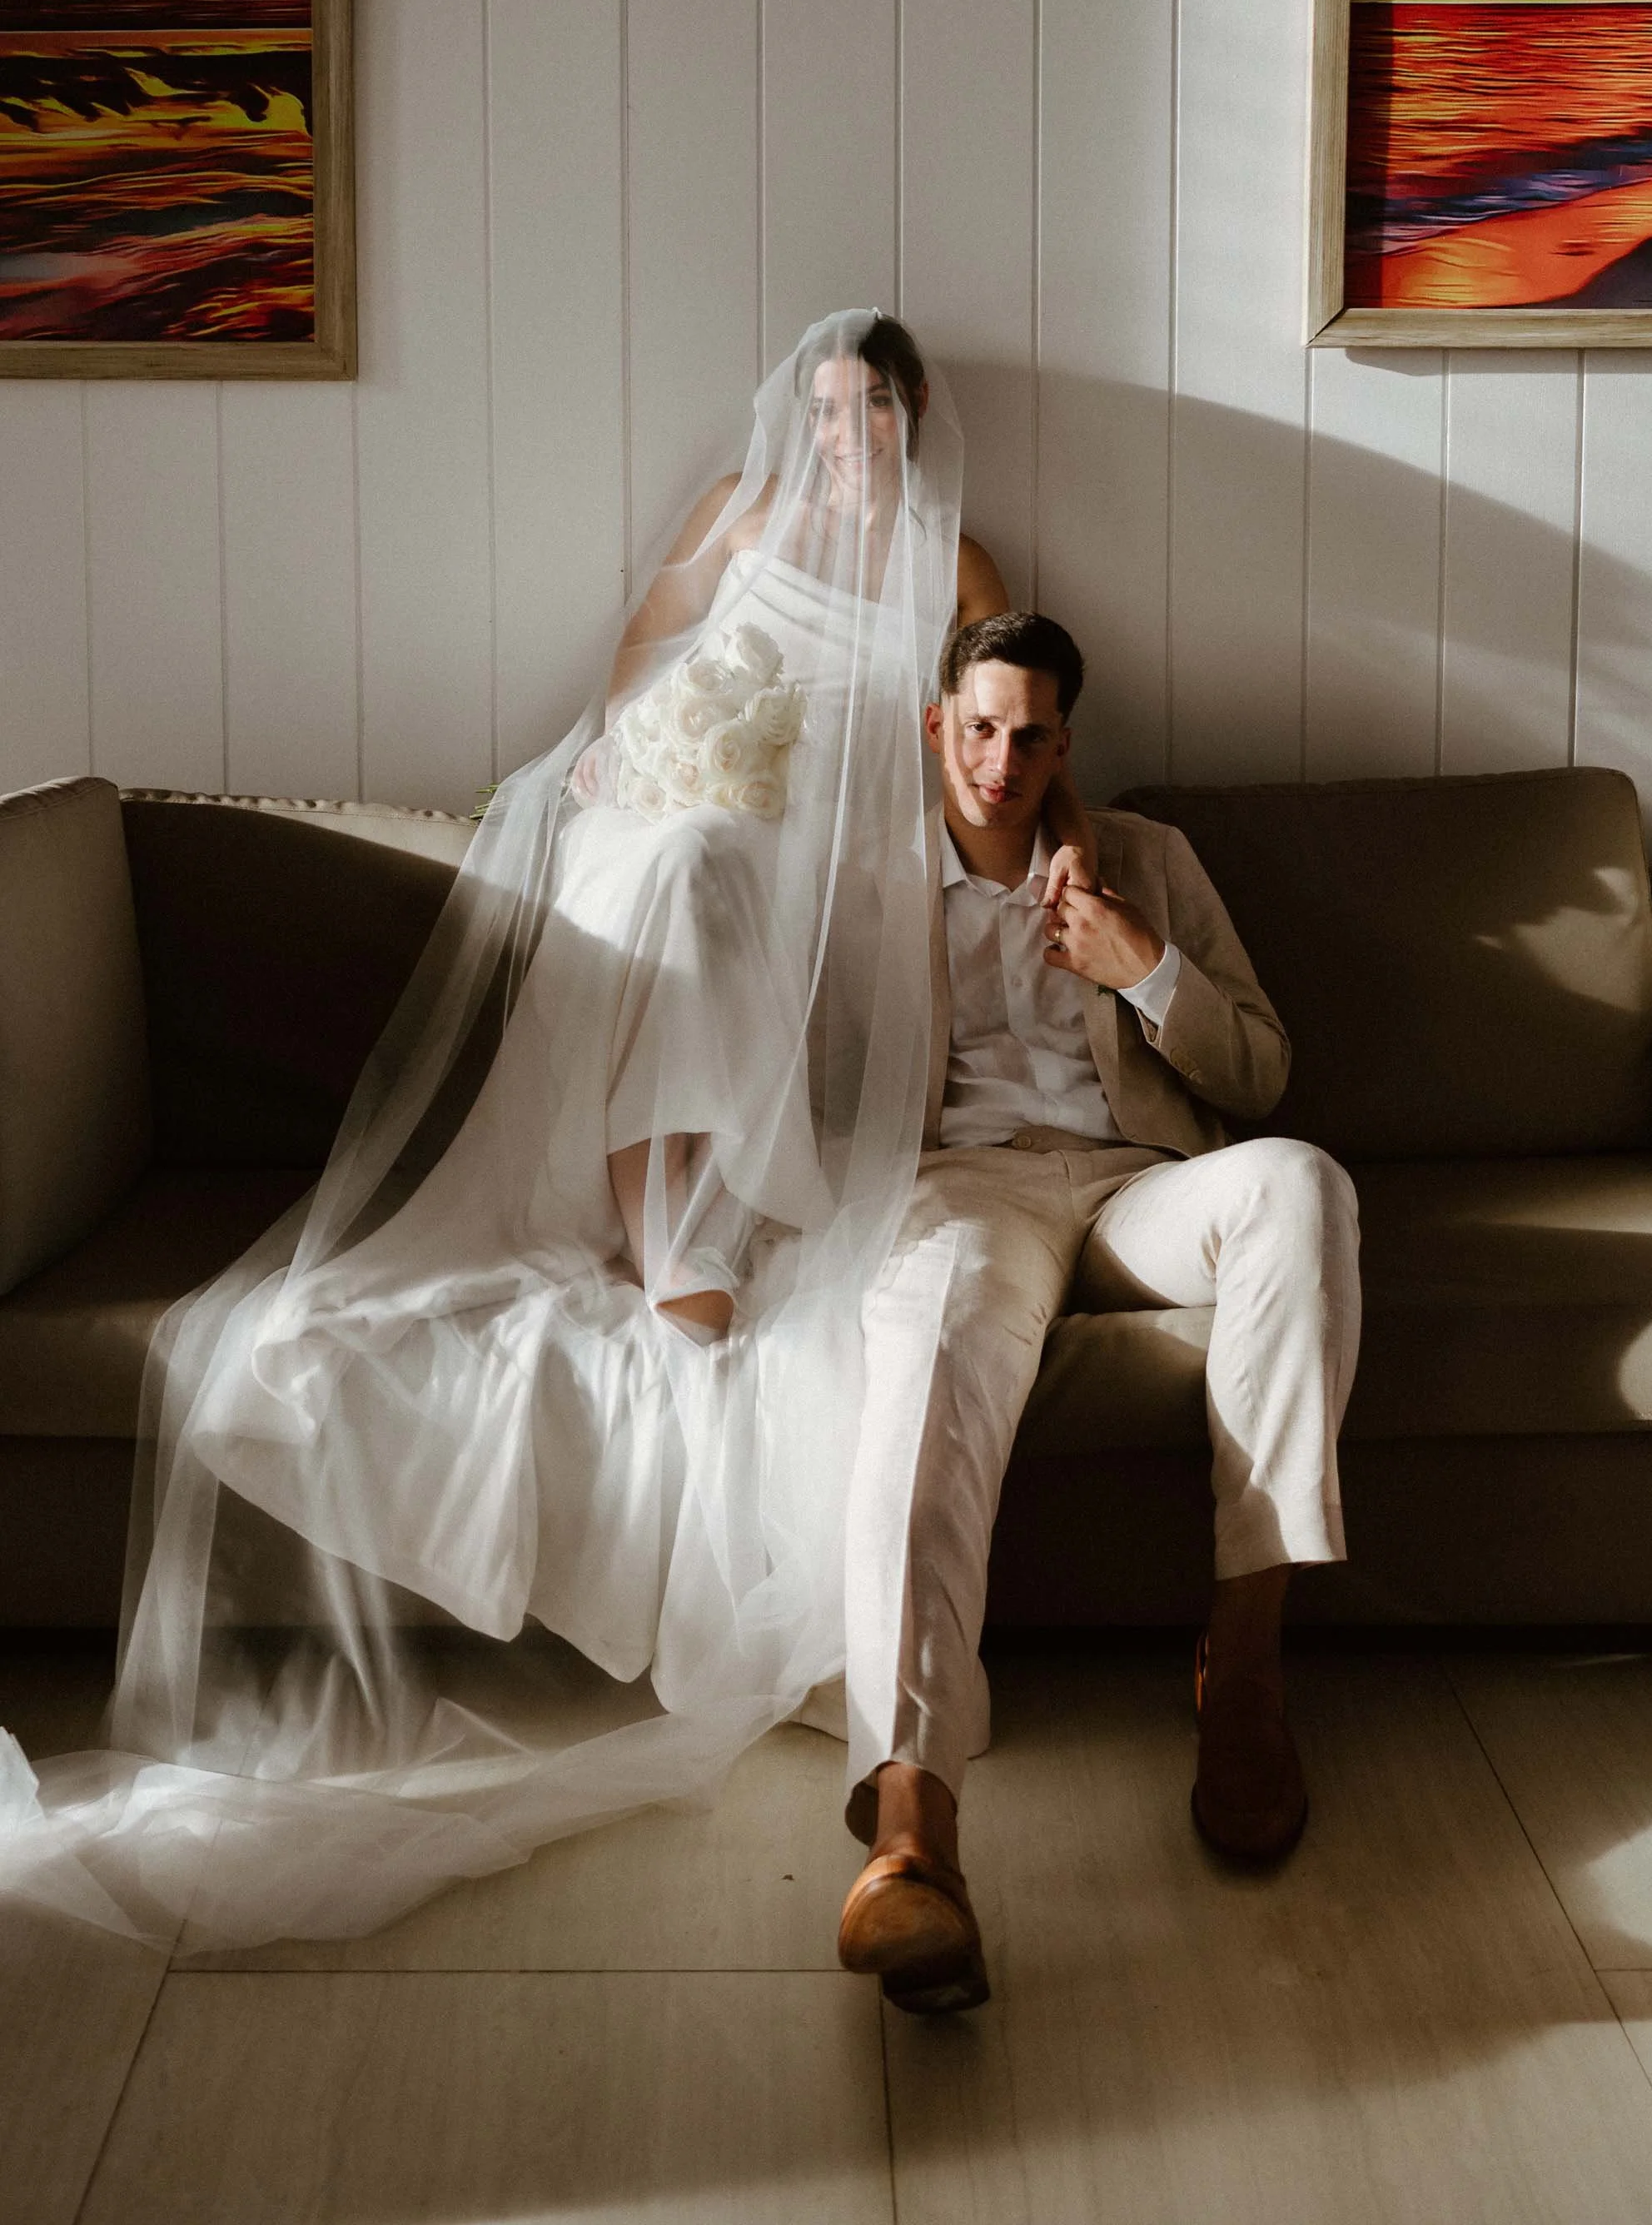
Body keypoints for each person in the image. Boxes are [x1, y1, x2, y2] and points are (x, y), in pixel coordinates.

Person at [0, 314, 1084, 1954]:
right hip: (682, 790)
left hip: (812, 847)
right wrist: (615, 750)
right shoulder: (743, 504)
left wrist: (956, 838)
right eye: (824, 408)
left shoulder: (956, 555)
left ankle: (686, 1221)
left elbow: (967, 733)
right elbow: (655, 645)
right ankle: (664, 1227)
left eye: (869, 410)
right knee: (668, 861)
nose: (843, 435)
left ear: (913, 417)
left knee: (714, 871)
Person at [831, 610, 1361, 2014]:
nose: (1004, 761)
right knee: (929, 1343)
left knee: (1302, 1187)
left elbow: (1260, 1076)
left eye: (1034, 733)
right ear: (936, 725)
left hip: (1140, 1189)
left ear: (1068, 740)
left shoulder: (1148, 860)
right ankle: (911, 1834)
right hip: (963, 1193)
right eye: (980, 726)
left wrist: (1147, 970)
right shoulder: (858, 877)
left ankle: (1241, 1676)